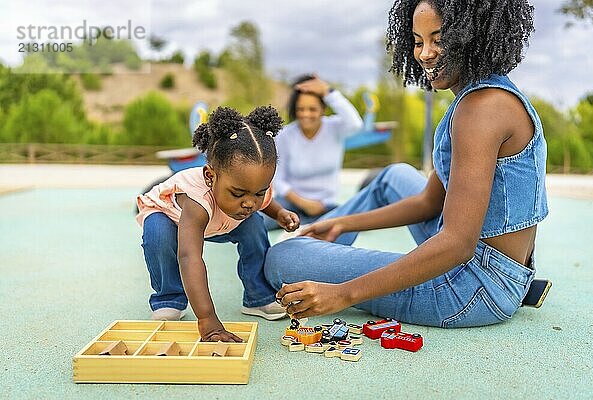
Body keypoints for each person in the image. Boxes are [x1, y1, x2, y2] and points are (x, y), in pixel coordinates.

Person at [266, 0, 548, 328]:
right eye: (417, 41)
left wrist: (343, 293)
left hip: (473, 288)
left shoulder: (481, 110)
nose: (425, 53)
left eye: (438, 39)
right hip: (501, 268)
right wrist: (344, 223)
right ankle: (324, 236)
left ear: (471, 35)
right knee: (394, 176)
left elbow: (457, 244)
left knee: (282, 259)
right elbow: (430, 203)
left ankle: (314, 252)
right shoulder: (487, 94)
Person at [136, 106, 300, 342]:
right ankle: (169, 298)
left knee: (254, 224)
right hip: (169, 217)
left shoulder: (251, 190)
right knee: (158, 235)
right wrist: (208, 320)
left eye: (258, 192)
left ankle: (257, 296)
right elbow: (189, 257)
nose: (249, 202)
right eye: (238, 193)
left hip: (220, 219)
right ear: (210, 176)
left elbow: (265, 200)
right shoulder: (197, 199)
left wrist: (280, 213)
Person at [262, 75, 363, 230]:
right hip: (290, 205)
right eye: (300, 109)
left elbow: (356, 123)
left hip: (327, 207)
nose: (306, 114)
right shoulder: (285, 135)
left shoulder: (335, 128)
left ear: (323, 109)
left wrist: (327, 91)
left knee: (351, 221)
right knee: (259, 220)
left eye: (312, 109)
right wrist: (303, 203)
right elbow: (278, 179)